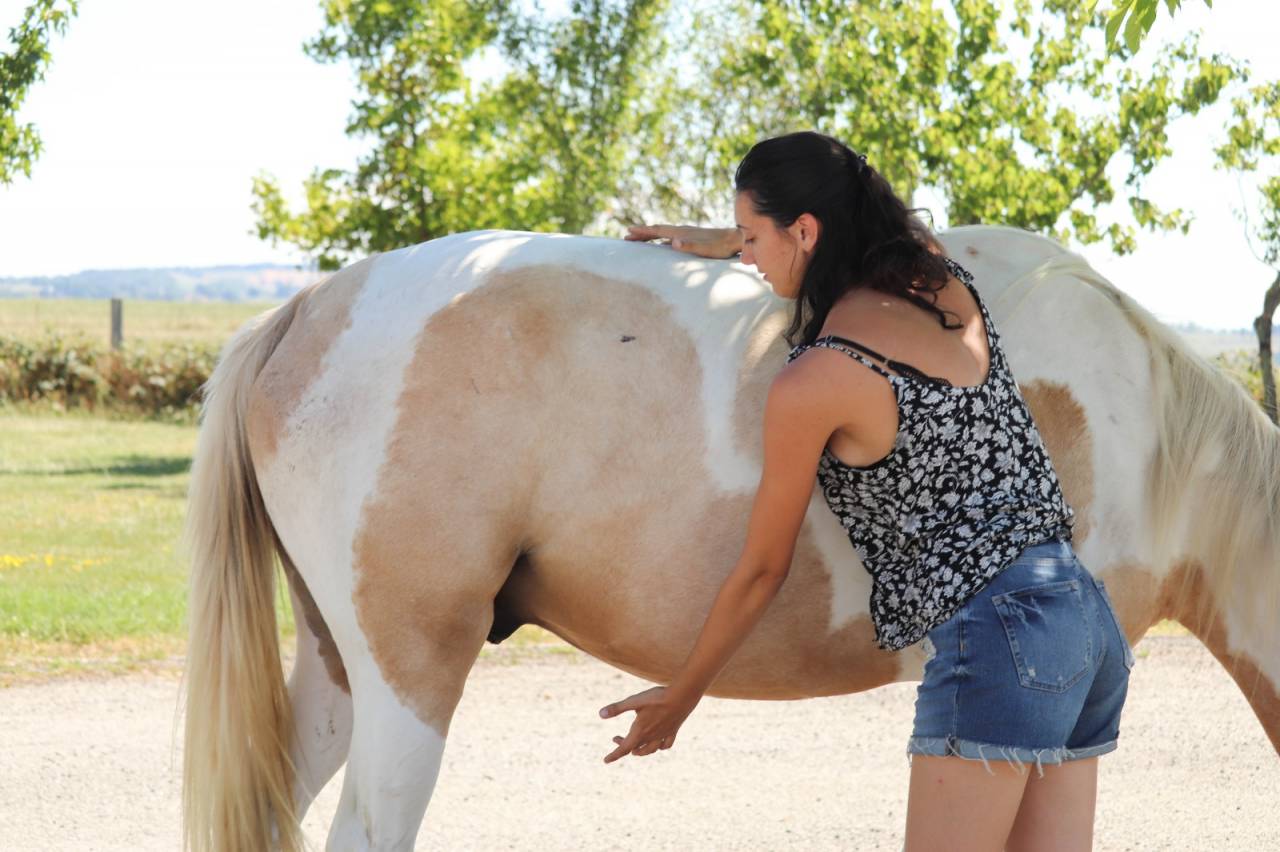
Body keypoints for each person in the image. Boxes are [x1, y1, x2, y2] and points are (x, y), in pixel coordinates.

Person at [597, 131, 1134, 851]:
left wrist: (682, 693)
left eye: (753, 236)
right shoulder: (942, 283)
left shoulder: (818, 379)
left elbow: (762, 569)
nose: (747, 255)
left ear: (806, 230)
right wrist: (728, 237)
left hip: (1002, 642)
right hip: (1083, 620)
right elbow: (865, 218)